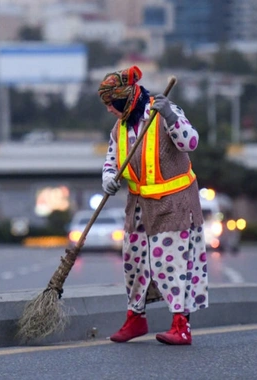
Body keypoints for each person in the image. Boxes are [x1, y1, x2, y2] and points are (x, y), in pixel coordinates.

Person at [97, 65, 208, 345]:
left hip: (174, 203)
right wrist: (110, 178)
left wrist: (170, 115)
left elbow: (190, 141)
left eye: (112, 104)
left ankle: (181, 325)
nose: (109, 109)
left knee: (170, 263)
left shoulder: (162, 114)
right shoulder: (120, 127)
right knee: (134, 263)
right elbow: (112, 160)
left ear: (124, 99)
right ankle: (136, 318)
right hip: (139, 205)